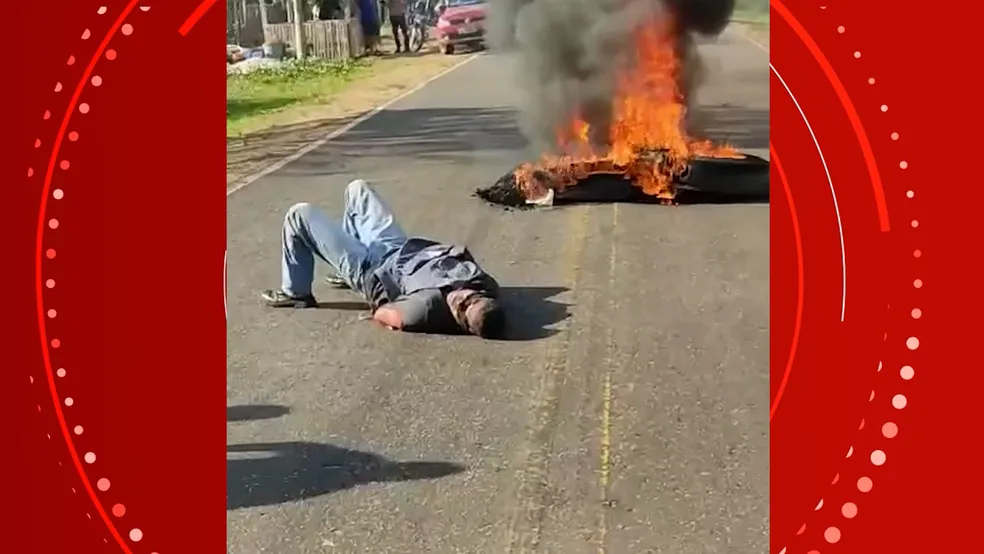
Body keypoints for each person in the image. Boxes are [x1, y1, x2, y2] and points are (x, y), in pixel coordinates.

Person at [261, 180, 506, 338]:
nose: (463, 298)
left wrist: (382, 312)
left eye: (463, 307)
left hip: (369, 270)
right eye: (473, 299)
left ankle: (296, 292)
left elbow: (386, 314)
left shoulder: (425, 308)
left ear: (460, 321)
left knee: (299, 214)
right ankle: (343, 267)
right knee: (358, 189)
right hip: (399, 247)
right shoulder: (482, 284)